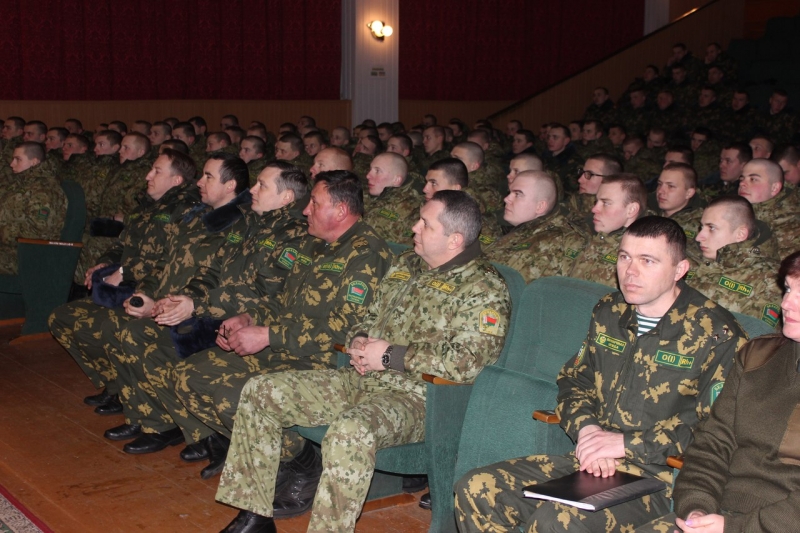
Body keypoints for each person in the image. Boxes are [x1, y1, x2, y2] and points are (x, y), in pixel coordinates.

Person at [217, 189, 510, 533]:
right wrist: (359, 340)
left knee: (350, 431)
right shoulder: (406, 265)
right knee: (261, 391)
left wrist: (389, 355)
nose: (414, 228)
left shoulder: (483, 287)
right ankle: (255, 516)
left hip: (420, 400)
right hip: (363, 379)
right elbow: (367, 316)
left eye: (425, 224)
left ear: (453, 239)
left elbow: (469, 363)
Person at [455, 215, 748, 533]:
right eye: (624, 257)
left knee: (555, 522)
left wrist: (624, 444)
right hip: (591, 460)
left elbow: (718, 429)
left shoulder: (716, 332)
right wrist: (589, 432)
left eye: (647, 260)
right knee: (476, 488)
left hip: (664, 477)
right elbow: (574, 380)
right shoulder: (610, 311)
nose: (630, 272)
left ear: (680, 270)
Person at [172, 170, 392, 482]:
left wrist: (267, 335)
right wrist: (249, 318)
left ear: (340, 210)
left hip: (322, 363)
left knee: (232, 395)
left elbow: (345, 329)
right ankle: (254, 451)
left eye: (314, 204)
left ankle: (300, 463)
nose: (305, 210)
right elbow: (282, 301)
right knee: (187, 375)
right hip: (283, 349)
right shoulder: (312, 243)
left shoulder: (366, 252)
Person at [112, 162, 309, 460]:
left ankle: (209, 437)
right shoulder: (246, 222)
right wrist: (184, 298)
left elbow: (264, 293)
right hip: (212, 315)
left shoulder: (294, 237)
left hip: (244, 324)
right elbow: (211, 270)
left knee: (167, 358)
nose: (252, 190)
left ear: (286, 199)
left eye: (262, 185)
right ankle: (174, 427)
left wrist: (197, 305)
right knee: (136, 335)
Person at [635, 250, 800, 533]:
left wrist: (733, 528)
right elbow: (713, 443)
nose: (786, 303)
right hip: (718, 511)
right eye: (788, 288)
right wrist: (697, 508)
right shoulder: (758, 356)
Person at [100, 153, 251, 449]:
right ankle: (149, 417)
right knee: (124, 331)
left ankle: (181, 428)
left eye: (208, 176)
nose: (199, 182)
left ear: (230, 185)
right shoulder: (195, 215)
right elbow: (164, 263)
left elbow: (215, 277)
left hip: (205, 314)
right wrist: (146, 293)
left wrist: (179, 303)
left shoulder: (239, 226)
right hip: (172, 304)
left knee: (140, 338)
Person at [49, 149, 199, 416]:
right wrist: (104, 263)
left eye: (156, 171)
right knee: (62, 317)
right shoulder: (144, 208)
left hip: (152, 293)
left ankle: (132, 394)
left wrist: (125, 270)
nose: (147, 175)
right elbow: (121, 246)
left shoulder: (186, 212)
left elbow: (169, 259)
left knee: (110, 327)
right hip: (123, 290)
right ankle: (116, 384)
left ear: (177, 181)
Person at [687, 196, 782, 328]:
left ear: (740, 234)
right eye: (701, 227)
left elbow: (758, 340)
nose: (699, 237)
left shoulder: (767, 279)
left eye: (711, 228)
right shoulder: (690, 258)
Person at [484, 170, 583, 283]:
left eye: (517, 194)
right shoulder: (519, 228)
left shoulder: (556, 242)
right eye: (510, 192)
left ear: (540, 207)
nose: (507, 199)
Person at [565, 173, 646, 288]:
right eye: (596, 202)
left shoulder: (642, 253)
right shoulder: (583, 235)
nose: (594, 209)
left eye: (606, 203)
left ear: (631, 210)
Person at [0, 142, 67, 275]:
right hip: (9, 248)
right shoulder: (20, 183)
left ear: (34, 162)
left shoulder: (44, 189)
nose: (12, 164)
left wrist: (2, 231)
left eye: (18, 160)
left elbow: (38, 232)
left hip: (29, 255)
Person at [738, 158, 800, 258]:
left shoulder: (790, 224)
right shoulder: (735, 210)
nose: (742, 184)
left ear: (774, 188)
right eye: (742, 179)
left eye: (753, 179)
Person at [361, 152, 422, 245]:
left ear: (396, 180)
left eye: (377, 171)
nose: (368, 175)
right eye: (370, 169)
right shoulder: (360, 194)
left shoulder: (412, 209)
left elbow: (405, 248)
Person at [653, 163, 704, 238]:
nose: (660, 191)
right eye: (660, 184)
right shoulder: (648, 215)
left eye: (671, 186)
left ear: (688, 193)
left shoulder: (701, 225)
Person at [542, 123, 584, 194]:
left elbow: (573, 188)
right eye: (549, 137)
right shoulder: (544, 157)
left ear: (566, 141)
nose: (550, 140)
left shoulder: (575, 162)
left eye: (555, 137)